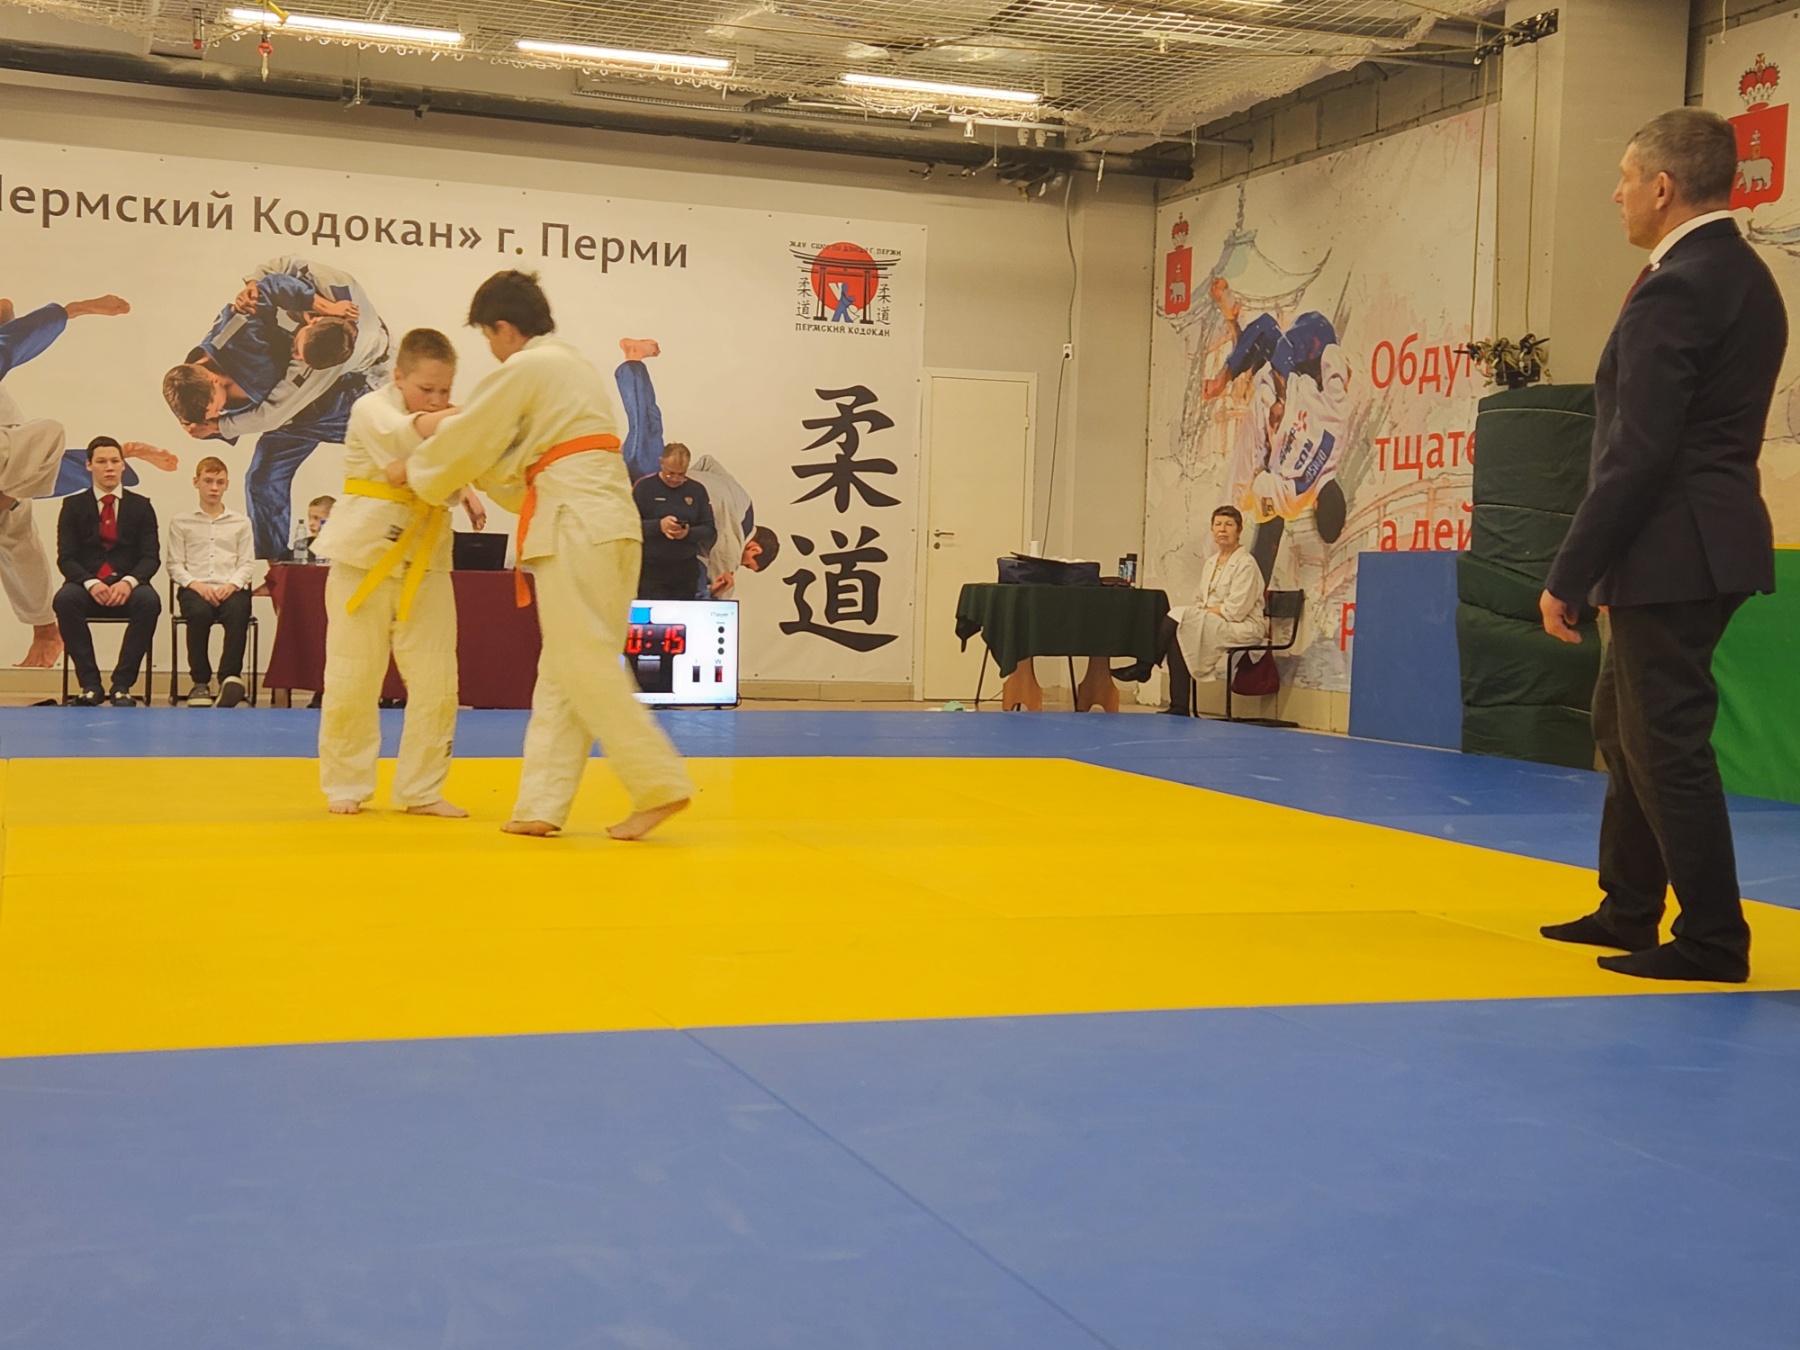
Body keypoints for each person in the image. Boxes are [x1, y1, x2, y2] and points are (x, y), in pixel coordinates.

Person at [1539, 108, 1787, 984]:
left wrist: (1570, 573)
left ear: (1663, 187)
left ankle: (1714, 938)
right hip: (1700, 539)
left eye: (1624, 178)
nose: (1615, 195)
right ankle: (1629, 904)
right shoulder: (1743, 275)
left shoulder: (1681, 284)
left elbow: (1639, 450)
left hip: (1673, 546)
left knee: (1665, 740)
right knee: (1624, 723)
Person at [389, 270, 693, 841]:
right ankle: (541, 805)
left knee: (582, 661)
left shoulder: (530, 367)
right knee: (563, 667)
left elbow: (476, 434)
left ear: (504, 327)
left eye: (488, 336)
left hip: (577, 523)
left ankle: (658, 781)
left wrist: (419, 469)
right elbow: (514, 459)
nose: (492, 349)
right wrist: (469, 470)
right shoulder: (570, 366)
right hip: (608, 523)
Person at [315, 327, 485, 818]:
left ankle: (422, 789)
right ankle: (346, 782)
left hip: (427, 560)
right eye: (426, 389)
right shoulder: (372, 409)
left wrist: (460, 482)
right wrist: (463, 421)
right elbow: (403, 446)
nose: (436, 399)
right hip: (362, 559)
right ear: (398, 377)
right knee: (352, 678)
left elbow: (431, 469)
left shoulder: (446, 420)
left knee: (437, 682)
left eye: (445, 390)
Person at [163, 256, 389, 558]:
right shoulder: (232, 334)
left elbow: (275, 413)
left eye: (216, 407)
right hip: (297, 405)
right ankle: (274, 564)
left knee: (389, 446)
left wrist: (218, 426)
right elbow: (271, 281)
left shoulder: (318, 361)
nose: (219, 412)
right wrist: (254, 282)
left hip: (348, 394)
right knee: (262, 479)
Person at [0, 291, 131, 667]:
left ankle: (45, 631)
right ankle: (46, 631)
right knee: (14, 534)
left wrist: (80, 308)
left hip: (10, 444)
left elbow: (17, 341)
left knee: (49, 432)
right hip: (16, 469)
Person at [1113, 505, 1265, 713]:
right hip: (1214, 620)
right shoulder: (1211, 563)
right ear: (1212, 529)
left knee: (1180, 616)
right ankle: (1179, 706)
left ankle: (1145, 665)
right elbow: (1200, 599)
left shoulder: (1246, 564)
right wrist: (1201, 613)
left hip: (1242, 626)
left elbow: (1236, 610)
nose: (1222, 529)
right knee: (1180, 632)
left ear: (1239, 530)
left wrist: (1201, 613)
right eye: (1218, 524)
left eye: (1229, 525)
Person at [53, 437, 161, 706]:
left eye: (115, 461)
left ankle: (122, 685)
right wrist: (91, 583)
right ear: (89, 465)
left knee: (149, 601)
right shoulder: (72, 506)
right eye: (101, 461)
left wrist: (128, 582)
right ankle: (90, 685)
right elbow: (66, 558)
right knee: (65, 600)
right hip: (87, 584)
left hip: (128, 584)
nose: (109, 467)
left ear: (123, 465)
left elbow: (150, 558)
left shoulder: (142, 506)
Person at [166, 455, 256, 707]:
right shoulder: (181, 521)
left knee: (238, 611)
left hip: (230, 586)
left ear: (227, 485)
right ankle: (200, 683)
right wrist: (196, 585)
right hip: (195, 587)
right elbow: (174, 564)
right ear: (196, 482)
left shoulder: (241, 522)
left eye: (220, 482)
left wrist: (232, 585)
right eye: (208, 481)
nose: (214, 488)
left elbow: (247, 563)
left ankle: (229, 678)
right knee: (198, 613)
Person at [688, 453, 779, 598]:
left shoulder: (744, 500)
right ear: (755, 549)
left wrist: (686, 477)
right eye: (747, 564)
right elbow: (722, 590)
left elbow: (707, 462)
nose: (740, 565)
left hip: (663, 474)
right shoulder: (733, 542)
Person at [634, 442, 715, 599]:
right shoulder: (644, 487)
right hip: (651, 572)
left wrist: (687, 533)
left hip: (685, 573)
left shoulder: (697, 490)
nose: (676, 479)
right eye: (670, 473)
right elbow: (630, 526)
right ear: (661, 463)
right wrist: (659, 526)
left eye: (681, 474)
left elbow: (710, 531)